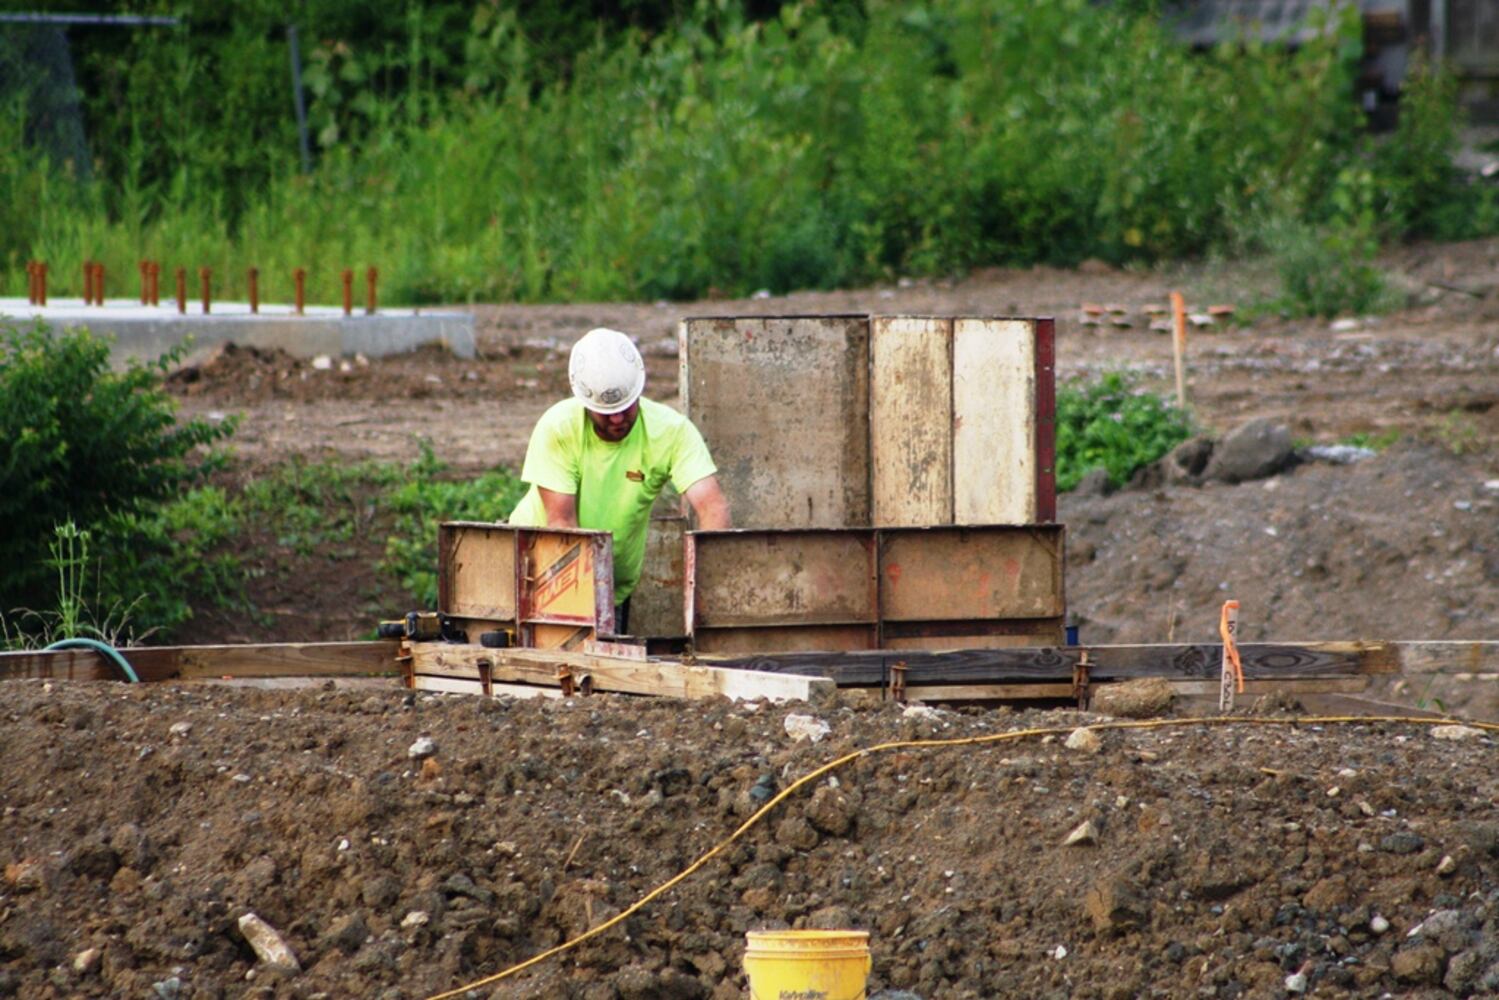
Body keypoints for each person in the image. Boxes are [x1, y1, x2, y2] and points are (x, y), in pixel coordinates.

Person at [508, 327, 731, 633]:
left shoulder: (672, 432)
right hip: (537, 573)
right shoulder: (559, 427)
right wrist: (586, 620)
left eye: (625, 407)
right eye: (605, 412)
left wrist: (708, 592)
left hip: (613, 588)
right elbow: (561, 524)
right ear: (585, 402)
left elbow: (712, 506)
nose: (617, 419)